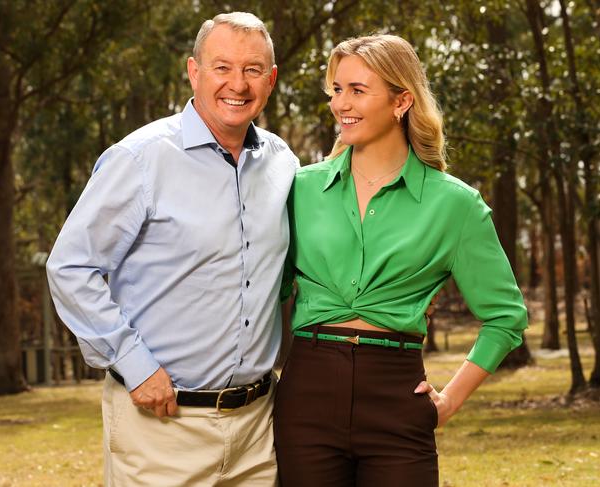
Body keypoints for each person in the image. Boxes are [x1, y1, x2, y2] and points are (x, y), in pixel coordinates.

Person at [46, 12, 297, 486]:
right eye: (222, 67)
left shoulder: (283, 163)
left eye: (252, 69)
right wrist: (134, 365)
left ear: (271, 79)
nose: (237, 85)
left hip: (258, 432)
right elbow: (70, 266)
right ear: (194, 72)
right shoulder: (140, 159)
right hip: (161, 426)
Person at [274, 34, 528, 487]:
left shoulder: (456, 205)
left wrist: (448, 401)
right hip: (307, 393)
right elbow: (269, 291)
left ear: (402, 100)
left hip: (396, 395)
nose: (340, 104)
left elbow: (505, 317)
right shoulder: (299, 189)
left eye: (357, 90)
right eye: (336, 90)